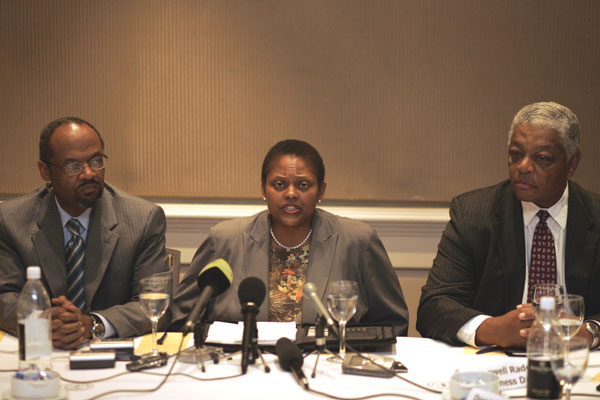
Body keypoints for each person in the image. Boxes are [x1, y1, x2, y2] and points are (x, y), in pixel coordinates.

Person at [172, 139, 409, 335]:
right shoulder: (224, 240)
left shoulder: (358, 242)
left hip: (329, 373)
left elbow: (393, 325)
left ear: (321, 191)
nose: (291, 194)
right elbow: (180, 319)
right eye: (279, 184)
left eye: (304, 185)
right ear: (263, 189)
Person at [417, 102, 600, 349]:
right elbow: (434, 306)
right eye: (516, 154)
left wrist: (589, 332)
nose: (523, 167)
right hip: (495, 363)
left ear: (572, 163)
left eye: (542, 158)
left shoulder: (595, 215)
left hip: (578, 362)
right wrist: (493, 329)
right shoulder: (472, 213)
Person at [0, 117, 168, 349]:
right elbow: (4, 296)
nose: (89, 173)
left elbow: (154, 302)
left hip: (113, 356)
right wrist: (44, 321)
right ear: (45, 171)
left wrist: (92, 324)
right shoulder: (10, 219)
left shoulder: (143, 219)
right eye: (73, 166)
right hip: (41, 351)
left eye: (96, 161)